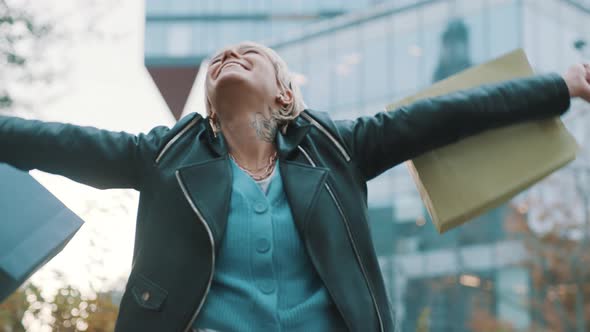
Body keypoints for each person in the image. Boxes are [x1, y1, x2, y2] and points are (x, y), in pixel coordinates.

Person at [1, 40, 589, 332]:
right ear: (208, 102)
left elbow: (449, 115)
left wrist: (560, 86)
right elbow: (50, 138)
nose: (229, 55)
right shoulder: (164, 156)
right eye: (220, 61)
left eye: (249, 55)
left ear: (284, 93)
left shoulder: (338, 149)